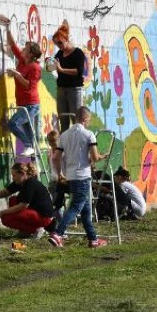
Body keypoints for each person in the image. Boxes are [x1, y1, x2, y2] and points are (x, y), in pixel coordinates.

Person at [47, 106, 109, 248]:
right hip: (83, 176)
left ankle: (93, 239)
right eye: (88, 120)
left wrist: (60, 173)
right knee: (75, 206)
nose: (88, 123)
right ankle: (58, 233)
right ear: (84, 119)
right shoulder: (89, 135)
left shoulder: (64, 135)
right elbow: (94, 157)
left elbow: (56, 157)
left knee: (86, 209)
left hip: (70, 176)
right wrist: (101, 156)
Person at [0, 14, 42, 152]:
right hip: (22, 103)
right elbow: (12, 44)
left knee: (12, 123)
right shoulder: (22, 60)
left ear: (31, 53)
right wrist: (7, 28)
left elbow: (29, 86)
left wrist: (16, 74)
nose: (23, 49)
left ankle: (29, 146)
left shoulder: (35, 67)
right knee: (30, 134)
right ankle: (35, 163)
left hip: (31, 105)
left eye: (26, 48)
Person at [0, 162, 56, 238]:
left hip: (43, 218)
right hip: (35, 213)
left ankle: (36, 229)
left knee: (6, 218)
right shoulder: (21, 181)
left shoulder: (30, 184)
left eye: (14, 175)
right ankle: (26, 231)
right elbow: (6, 191)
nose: (13, 178)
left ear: (22, 174)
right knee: (13, 200)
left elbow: (23, 206)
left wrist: (2, 212)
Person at [50, 21, 86, 132]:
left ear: (66, 39)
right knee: (63, 120)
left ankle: (78, 144)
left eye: (60, 43)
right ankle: (64, 147)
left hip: (74, 90)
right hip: (61, 89)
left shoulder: (77, 53)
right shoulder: (59, 54)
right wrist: (49, 64)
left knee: (76, 120)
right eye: (56, 44)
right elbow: (53, 64)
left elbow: (79, 71)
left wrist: (61, 69)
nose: (59, 46)